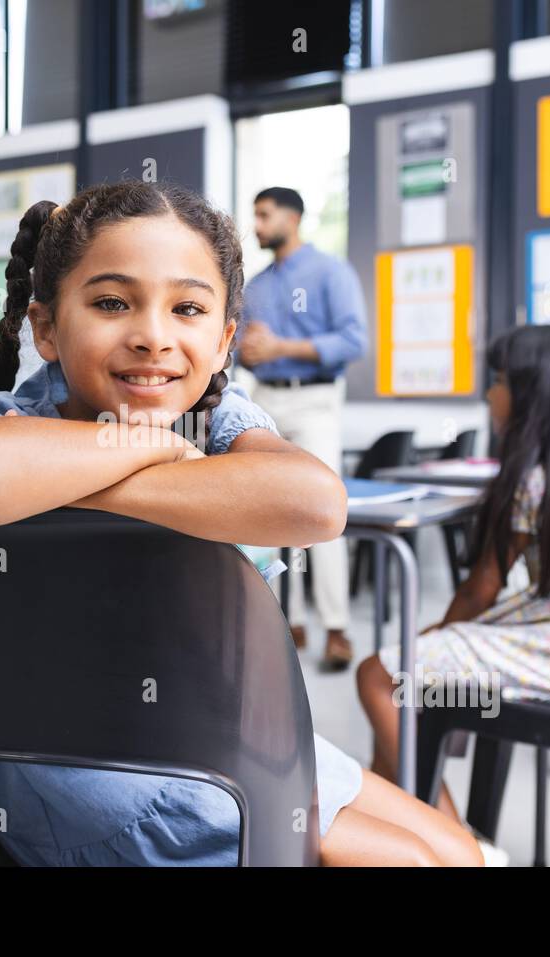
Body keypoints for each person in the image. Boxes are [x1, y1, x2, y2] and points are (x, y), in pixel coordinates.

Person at [0, 181, 480, 866]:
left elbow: (316, 503)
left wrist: (96, 477)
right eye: (112, 303)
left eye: (187, 308)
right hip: (107, 786)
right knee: (417, 863)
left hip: (224, 743)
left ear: (223, 340)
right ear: (46, 327)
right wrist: (160, 447)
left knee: (462, 853)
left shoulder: (220, 414)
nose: (153, 335)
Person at [357, 324, 550, 822]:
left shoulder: (532, 480)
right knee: (408, 693)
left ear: (540, 397)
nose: (490, 393)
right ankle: (386, 832)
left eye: (500, 379)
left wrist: (434, 637)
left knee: (379, 676)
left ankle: (461, 847)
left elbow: (482, 587)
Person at [238, 187, 367, 671]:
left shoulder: (331, 272)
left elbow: (353, 340)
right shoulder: (256, 286)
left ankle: (336, 628)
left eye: (265, 214)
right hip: (265, 399)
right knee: (263, 510)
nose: (257, 223)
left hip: (314, 400)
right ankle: (280, 619)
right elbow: (239, 349)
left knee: (322, 509)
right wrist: (245, 352)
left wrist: (281, 349)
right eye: (255, 215)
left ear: (292, 218)